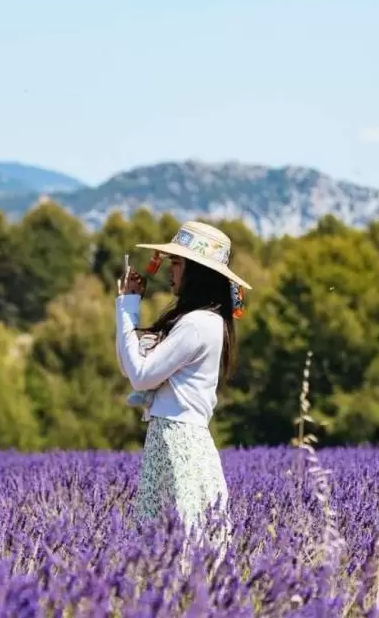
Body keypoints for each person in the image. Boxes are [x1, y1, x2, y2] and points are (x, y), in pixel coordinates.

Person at [115, 220, 252, 531]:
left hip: (178, 443)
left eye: (176, 263)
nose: (169, 270)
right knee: (168, 550)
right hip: (171, 440)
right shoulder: (198, 321)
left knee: (177, 547)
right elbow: (129, 362)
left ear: (197, 271)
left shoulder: (197, 324)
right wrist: (128, 306)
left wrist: (126, 309)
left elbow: (139, 376)